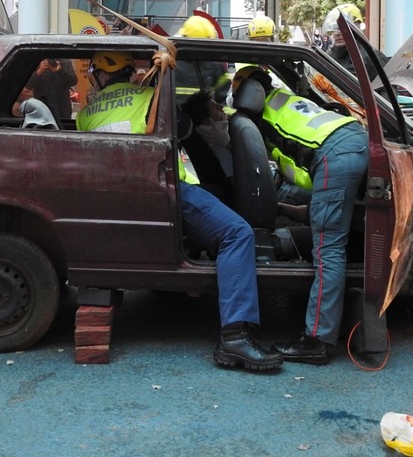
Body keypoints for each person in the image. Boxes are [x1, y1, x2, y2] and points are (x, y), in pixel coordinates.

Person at [76, 51, 281, 372]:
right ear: (130, 72)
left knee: (214, 195)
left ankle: (202, 259)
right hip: (167, 190)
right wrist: (158, 87)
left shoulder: (85, 114)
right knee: (238, 233)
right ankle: (236, 337)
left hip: (125, 194)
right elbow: (184, 128)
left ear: (98, 77)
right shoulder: (148, 97)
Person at [234, 67, 368, 365]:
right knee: (331, 236)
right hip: (352, 140)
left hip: (335, 155)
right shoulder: (287, 100)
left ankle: (317, 340)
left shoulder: (261, 118)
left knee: (328, 249)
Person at [321, 2, 388, 79]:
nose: (336, 33)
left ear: (356, 27)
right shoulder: (330, 57)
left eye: (341, 28)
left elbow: (387, 89)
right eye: (334, 28)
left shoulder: (372, 58)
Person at [26, 57, 77, 124]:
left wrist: (60, 71)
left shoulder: (64, 61)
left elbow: (73, 81)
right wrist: (39, 72)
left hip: (63, 110)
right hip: (42, 110)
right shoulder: (36, 62)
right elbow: (28, 86)